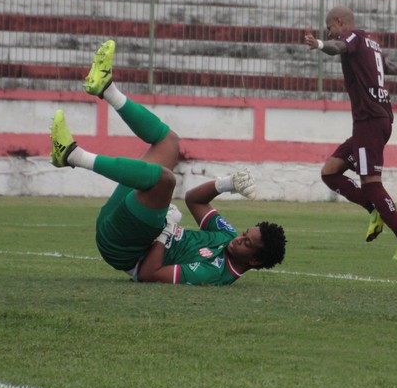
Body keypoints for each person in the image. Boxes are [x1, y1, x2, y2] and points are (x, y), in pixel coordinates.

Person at [49, 39, 286, 285]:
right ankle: (106, 88)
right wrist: (228, 184)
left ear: (255, 261)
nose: (239, 238)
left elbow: (148, 274)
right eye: (245, 233)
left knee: (165, 180)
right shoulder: (227, 235)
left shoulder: (215, 273)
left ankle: (72, 155)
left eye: (247, 242)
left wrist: (165, 232)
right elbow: (195, 199)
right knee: (169, 142)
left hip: (124, 248)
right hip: (126, 222)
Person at [302, 5, 397, 260]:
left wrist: (320, 44)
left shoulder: (351, 38)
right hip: (376, 120)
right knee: (330, 172)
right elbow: (385, 66)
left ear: (341, 22)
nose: (330, 32)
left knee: (371, 182)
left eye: (330, 27)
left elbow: (338, 48)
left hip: (370, 121)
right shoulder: (371, 43)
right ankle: (373, 210)